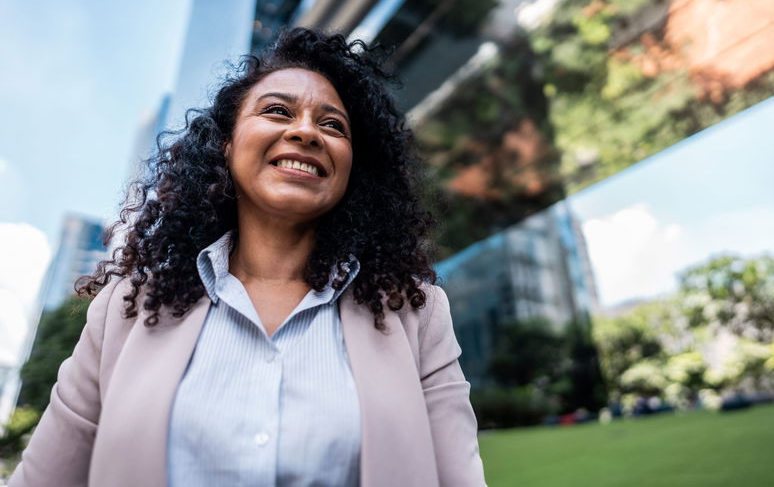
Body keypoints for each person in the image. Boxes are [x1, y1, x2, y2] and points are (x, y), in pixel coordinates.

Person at [9, 28, 486, 487]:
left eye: (332, 124)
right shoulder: (126, 307)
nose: (306, 132)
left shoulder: (415, 311)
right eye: (277, 111)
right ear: (227, 144)